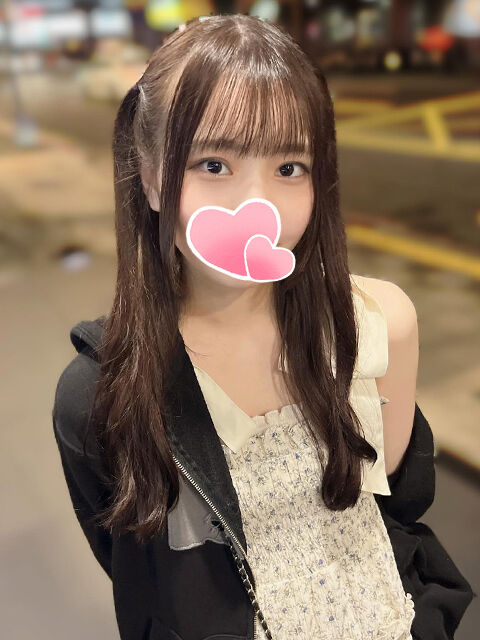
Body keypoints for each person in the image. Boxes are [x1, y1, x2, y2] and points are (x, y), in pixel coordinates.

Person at [52, 13, 474, 640]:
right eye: (213, 164)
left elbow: (396, 514)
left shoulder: (380, 324)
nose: (260, 207)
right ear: (151, 178)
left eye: (290, 167)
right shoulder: (99, 394)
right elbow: (142, 576)